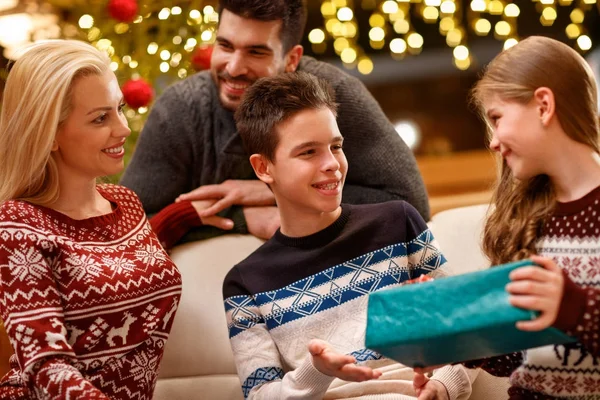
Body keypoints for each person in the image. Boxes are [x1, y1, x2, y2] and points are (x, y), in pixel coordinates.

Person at [222, 71, 474, 400]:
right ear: (263, 168)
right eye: (308, 152)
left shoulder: (398, 222)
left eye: (335, 146)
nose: (332, 164)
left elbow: (467, 334)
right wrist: (318, 371)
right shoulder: (245, 283)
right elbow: (260, 395)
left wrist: (443, 386)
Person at [120, 0, 430, 245]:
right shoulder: (181, 111)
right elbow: (124, 227)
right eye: (225, 46)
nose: (234, 68)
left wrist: (277, 192)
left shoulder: (336, 96)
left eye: (256, 52)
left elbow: (410, 203)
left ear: (292, 59)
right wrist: (242, 218)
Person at [413, 36, 600, 399]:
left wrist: (573, 307)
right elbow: (521, 353)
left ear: (544, 105)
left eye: (497, 118)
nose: (494, 141)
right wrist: (453, 333)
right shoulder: (527, 218)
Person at [0, 40, 182, 399]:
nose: (123, 128)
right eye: (101, 118)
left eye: (119, 109)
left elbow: (120, 267)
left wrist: (184, 215)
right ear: (49, 134)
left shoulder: (126, 204)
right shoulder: (16, 225)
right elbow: (45, 367)